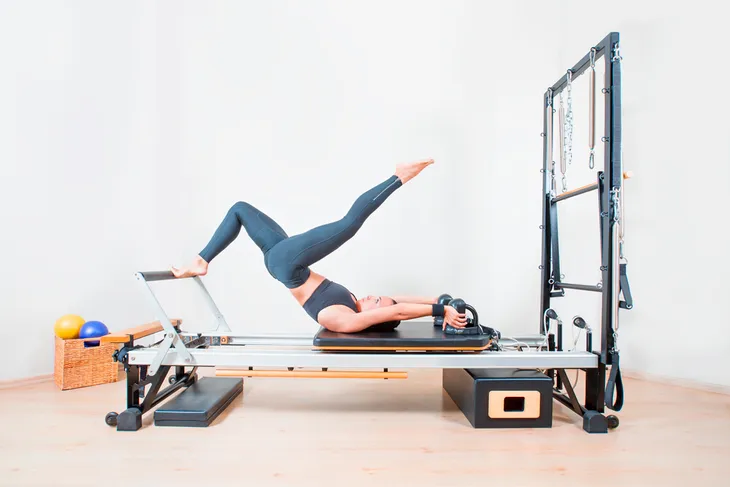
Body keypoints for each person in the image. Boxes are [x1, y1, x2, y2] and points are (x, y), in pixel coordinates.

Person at [171, 159, 467, 333]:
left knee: (349, 224)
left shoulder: (347, 319)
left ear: (375, 317)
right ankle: (202, 260)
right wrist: (438, 299)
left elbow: (397, 311)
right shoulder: (355, 306)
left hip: (289, 266)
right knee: (240, 209)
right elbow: (395, 300)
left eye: (377, 301)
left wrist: (438, 312)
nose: (375, 296)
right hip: (283, 260)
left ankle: (398, 176)